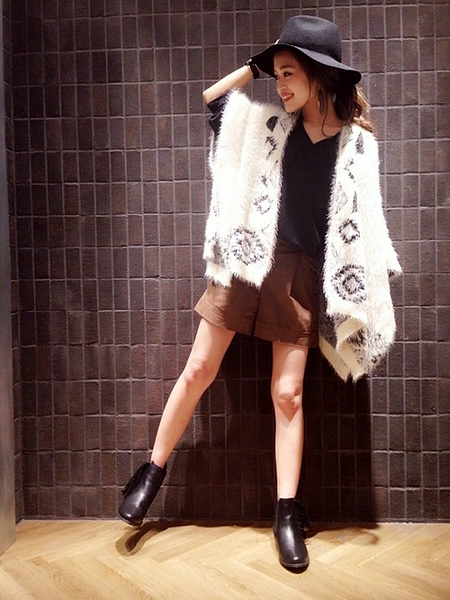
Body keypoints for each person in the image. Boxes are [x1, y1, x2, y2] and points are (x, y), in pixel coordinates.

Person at [117, 15, 401, 571]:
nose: (281, 85)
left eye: (290, 73)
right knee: (199, 368)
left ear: (320, 75)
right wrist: (258, 64)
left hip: (299, 275)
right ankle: (150, 472)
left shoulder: (357, 146)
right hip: (247, 258)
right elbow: (213, 99)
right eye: (277, 75)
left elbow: (364, 230)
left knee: (288, 395)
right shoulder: (268, 125)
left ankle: (287, 513)